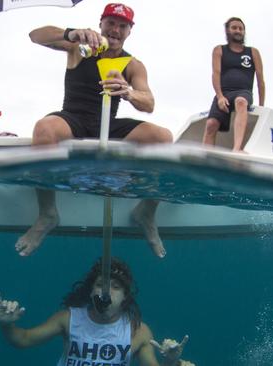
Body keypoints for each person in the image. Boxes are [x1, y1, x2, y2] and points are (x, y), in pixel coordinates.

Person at [15, 3, 173, 258]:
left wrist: (130, 93)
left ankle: (146, 212)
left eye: (123, 26)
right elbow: (36, 35)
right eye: (111, 23)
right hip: (73, 118)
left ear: (130, 31)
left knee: (163, 138)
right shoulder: (79, 46)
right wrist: (71, 33)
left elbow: (149, 103)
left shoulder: (133, 65)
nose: (116, 30)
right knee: (44, 129)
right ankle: (47, 213)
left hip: (108, 124)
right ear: (101, 23)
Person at [0, 257, 194, 366]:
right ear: (90, 291)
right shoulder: (68, 319)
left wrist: (170, 362)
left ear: (126, 296)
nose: (106, 291)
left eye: (116, 287)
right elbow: (22, 339)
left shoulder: (138, 331)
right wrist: (6, 324)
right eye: (100, 285)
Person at [202, 17, 265, 151]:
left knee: (241, 101)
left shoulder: (253, 52)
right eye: (234, 28)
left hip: (244, 92)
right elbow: (215, 74)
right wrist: (219, 97)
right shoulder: (219, 50)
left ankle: (237, 149)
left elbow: (260, 80)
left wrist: (262, 106)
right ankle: (205, 157)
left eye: (241, 28)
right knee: (211, 124)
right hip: (224, 93)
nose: (238, 31)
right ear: (227, 31)